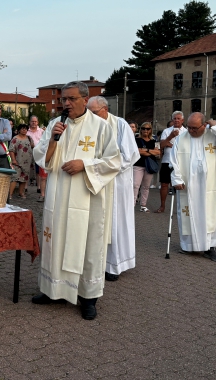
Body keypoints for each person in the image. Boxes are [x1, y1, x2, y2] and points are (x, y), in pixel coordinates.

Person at [31, 81, 121, 320]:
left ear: (85, 98)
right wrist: (53, 139)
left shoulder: (101, 127)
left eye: (71, 99)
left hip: (87, 197)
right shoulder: (55, 124)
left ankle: (88, 297)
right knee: (56, 240)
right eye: (63, 99)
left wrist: (85, 164)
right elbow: (41, 157)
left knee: (88, 246)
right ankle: (53, 290)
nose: (66, 104)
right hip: (58, 194)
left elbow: (114, 161)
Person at [87, 96, 140, 282]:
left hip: (116, 182)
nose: (90, 115)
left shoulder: (120, 125)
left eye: (93, 112)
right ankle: (94, 263)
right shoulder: (89, 124)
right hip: (94, 180)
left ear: (105, 109)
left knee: (116, 222)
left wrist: (102, 169)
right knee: (96, 222)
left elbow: (130, 154)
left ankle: (114, 264)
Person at [169, 113, 216, 262]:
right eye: (189, 127)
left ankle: (210, 247)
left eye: (194, 128)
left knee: (208, 213)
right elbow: (174, 161)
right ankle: (189, 245)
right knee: (188, 212)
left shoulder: (213, 136)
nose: (191, 131)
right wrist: (177, 179)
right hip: (188, 185)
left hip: (208, 185)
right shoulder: (181, 138)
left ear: (204, 125)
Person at [156, 111, 187, 213]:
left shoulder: (186, 132)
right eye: (174, 118)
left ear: (182, 120)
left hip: (181, 162)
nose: (176, 120)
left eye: (178, 118)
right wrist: (170, 137)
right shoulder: (166, 131)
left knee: (179, 185)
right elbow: (161, 145)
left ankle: (181, 207)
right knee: (164, 184)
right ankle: (162, 206)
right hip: (167, 161)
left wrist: (170, 144)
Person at [133, 122, 161, 212]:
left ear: (150, 130)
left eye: (148, 129)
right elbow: (137, 151)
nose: (145, 130)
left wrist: (146, 150)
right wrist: (151, 151)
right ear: (140, 129)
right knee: (135, 185)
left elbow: (158, 152)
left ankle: (143, 205)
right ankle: (132, 204)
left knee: (146, 186)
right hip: (138, 164)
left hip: (149, 166)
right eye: (143, 128)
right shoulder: (136, 139)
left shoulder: (155, 141)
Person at [8, 124, 35, 199]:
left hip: (27, 162)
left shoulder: (29, 138)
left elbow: (33, 146)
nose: (24, 130)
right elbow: (11, 150)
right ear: (19, 130)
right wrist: (13, 160)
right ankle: (10, 194)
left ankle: (21, 193)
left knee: (24, 179)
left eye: (26, 129)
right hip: (17, 161)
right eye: (22, 129)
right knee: (15, 178)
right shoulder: (15, 139)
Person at [27, 115, 47, 202]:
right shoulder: (27, 132)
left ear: (37, 122)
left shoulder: (42, 131)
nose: (34, 123)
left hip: (40, 153)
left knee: (39, 171)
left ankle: (39, 187)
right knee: (28, 169)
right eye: (32, 121)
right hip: (29, 152)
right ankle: (26, 187)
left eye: (35, 121)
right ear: (29, 122)